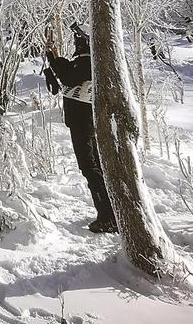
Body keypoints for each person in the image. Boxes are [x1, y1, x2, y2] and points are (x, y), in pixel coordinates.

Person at [45, 22, 117, 234]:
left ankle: (108, 216)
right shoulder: (83, 63)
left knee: (90, 167)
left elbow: (68, 75)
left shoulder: (88, 63)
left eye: (78, 40)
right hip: (81, 121)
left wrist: (55, 59)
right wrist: (52, 56)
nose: (76, 44)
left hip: (84, 122)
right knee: (92, 167)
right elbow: (66, 79)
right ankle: (108, 212)